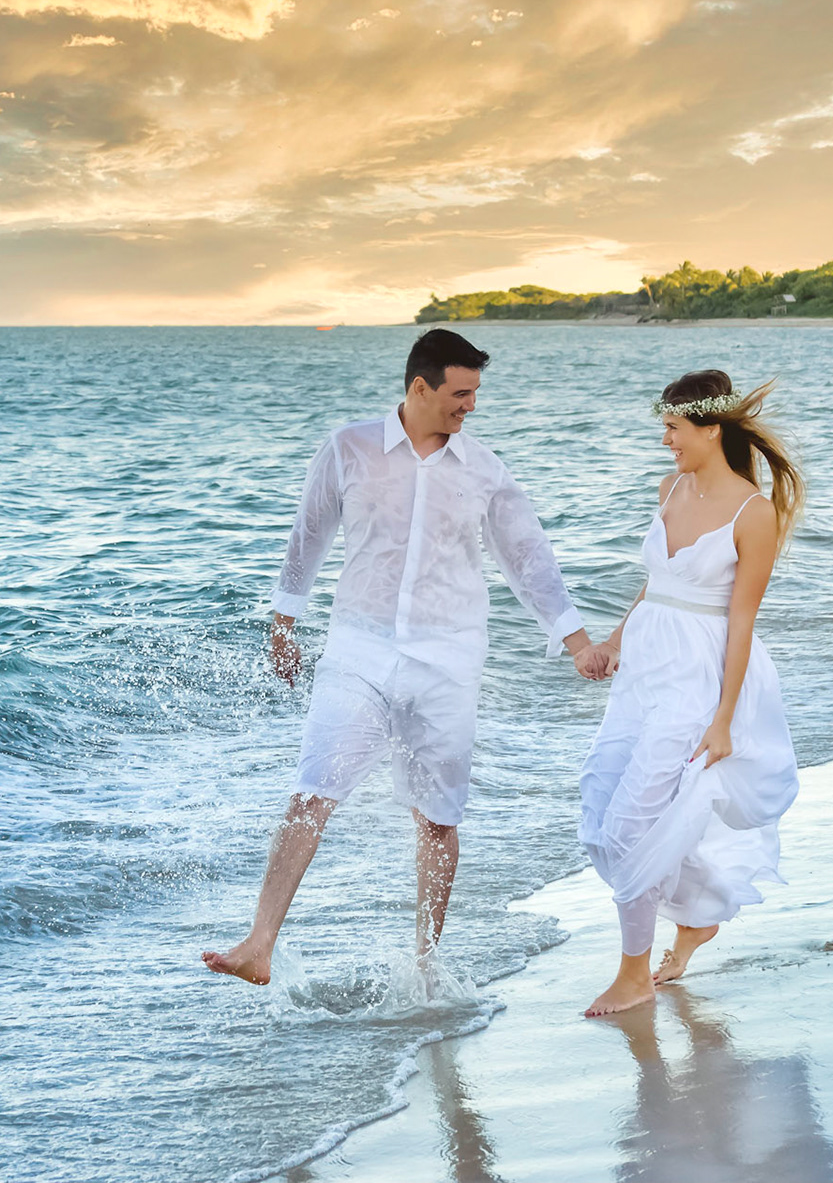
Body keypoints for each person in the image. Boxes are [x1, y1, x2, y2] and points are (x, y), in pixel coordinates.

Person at [203, 328, 595, 986]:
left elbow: (528, 558)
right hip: (360, 648)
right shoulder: (349, 448)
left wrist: (578, 643)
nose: (470, 406)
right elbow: (309, 533)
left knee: (438, 819)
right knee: (312, 791)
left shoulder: (484, 469)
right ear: (421, 387)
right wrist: (283, 622)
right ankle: (259, 943)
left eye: (474, 393)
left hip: (449, 659)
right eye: (460, 393)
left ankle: (425, 965)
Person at [572, 369, 805, 1017]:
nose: (666, 439)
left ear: (710, 426)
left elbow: (741, 623)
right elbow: (657, 583)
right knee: (600, 805)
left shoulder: (754, 515)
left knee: (632, 823)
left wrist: (724, 720)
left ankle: (633, 974)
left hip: (699, 681)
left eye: (674, 427)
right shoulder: (669, 487)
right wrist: (616, 641)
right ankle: (697, 916)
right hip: (645, 669)